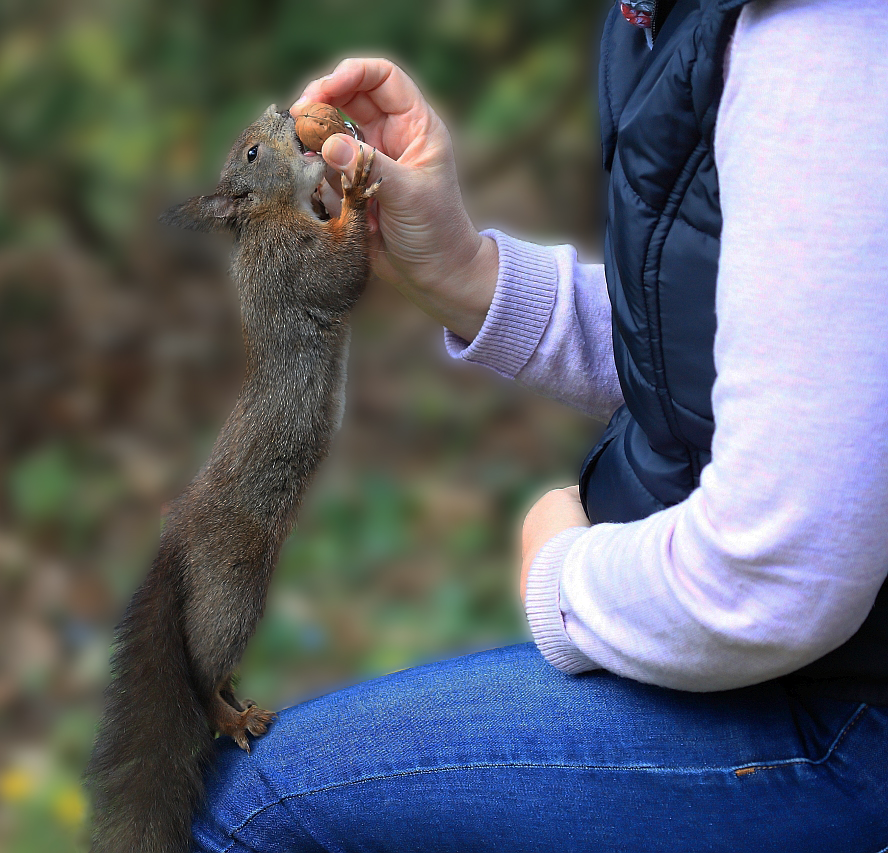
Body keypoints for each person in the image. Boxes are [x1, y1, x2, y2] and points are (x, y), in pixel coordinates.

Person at [188, 0, 888, 849]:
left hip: (840, 707)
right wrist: (465, 269)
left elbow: (778, 577)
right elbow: (751, 350)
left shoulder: (819, 49)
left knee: (246, 812)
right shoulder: (667, 19)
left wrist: (560, 577)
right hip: (772, 666)